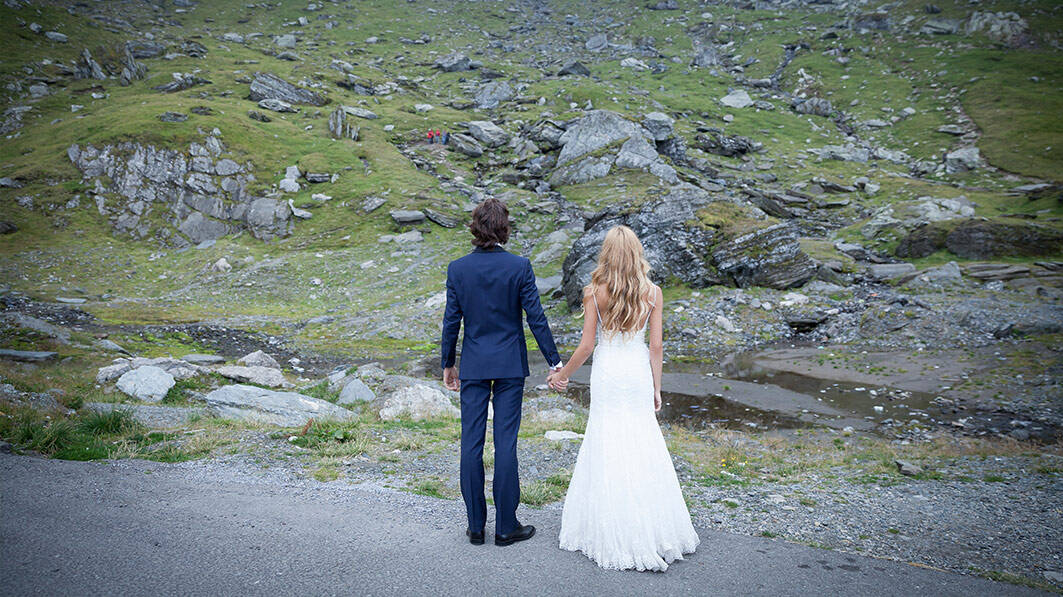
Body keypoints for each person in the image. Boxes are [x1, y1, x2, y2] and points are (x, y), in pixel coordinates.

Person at [547, 225, 699, 571]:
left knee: (606, 440)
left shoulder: (593, 292)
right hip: (636, 373)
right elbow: (656, 347)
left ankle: (612, 524)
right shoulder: (653, 293)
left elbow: (587, 345)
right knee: (643, 440)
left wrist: (563, 374)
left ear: (607, 254)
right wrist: (656, 387)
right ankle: (653, 527)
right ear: (636, 253)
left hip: (609, 373)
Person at [441, 197, 563, 547]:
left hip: (474, 364)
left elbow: (451, 322)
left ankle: (475, 526)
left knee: (471, 442)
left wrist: (448, 363)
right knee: (505, 443)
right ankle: (506, 526)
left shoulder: (458, 269)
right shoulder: (519, 266)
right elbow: (536, 317)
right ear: (504, 228)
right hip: (509, 364)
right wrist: (554, 361)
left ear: (475, 227)